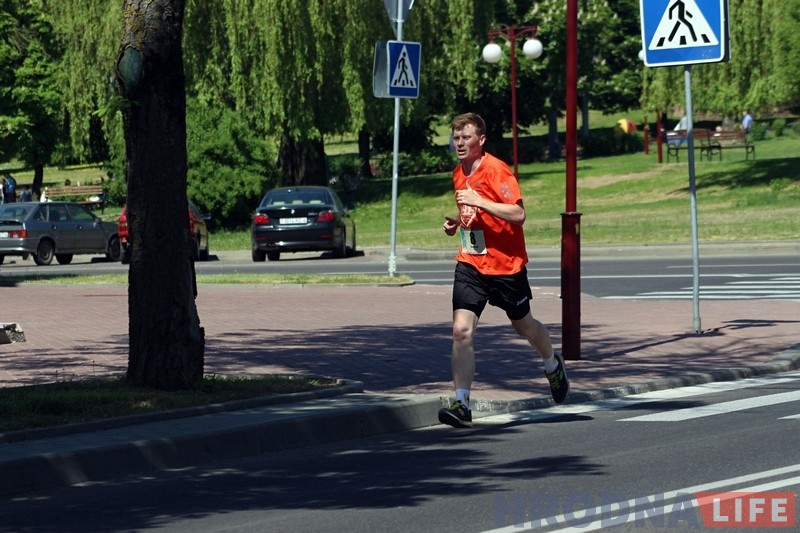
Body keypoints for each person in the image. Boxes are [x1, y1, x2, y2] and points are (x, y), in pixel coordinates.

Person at [438, 112, 569, 428]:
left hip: (505, 267)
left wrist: (479, 201)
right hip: (471, 262)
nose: (460, 143)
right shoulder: (459, 172)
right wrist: (457, 222)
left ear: (481, 140)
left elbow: (518, 213)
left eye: (466, 137)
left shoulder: (496, 170)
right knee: (461, 331)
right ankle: (462, 404)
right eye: (456, 138)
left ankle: (552, 363)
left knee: (524, 327)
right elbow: (471, 212)